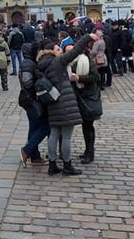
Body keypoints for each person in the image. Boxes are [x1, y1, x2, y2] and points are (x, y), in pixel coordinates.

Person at [37, 33, 97, 176]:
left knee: (54, 134)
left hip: (53, 102)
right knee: (66, 136)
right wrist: (88, 37)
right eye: (58, 49)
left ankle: (52, 165)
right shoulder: (57, 62)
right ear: (52, 52)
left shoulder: (43, 65)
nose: (61, 51)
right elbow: (76, 51)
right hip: (65, 103)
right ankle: (67, 165)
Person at [66, 43, 102, 164]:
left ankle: (90, 152)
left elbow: (95, 77)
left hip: (87, 97)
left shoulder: (86, 61)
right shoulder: (69, 63)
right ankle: (86, 151)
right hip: (75, 97)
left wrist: (79, 78)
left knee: (88, 126)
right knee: (83, 126)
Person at [18, 41, 50, 167]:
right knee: (45, 126)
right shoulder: (28, 63)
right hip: (30, 100)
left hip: (30, 99)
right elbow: (27, 82)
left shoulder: (31, 62)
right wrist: (39, 88)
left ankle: (34, 156)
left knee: (34, 126)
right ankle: (26, 150)